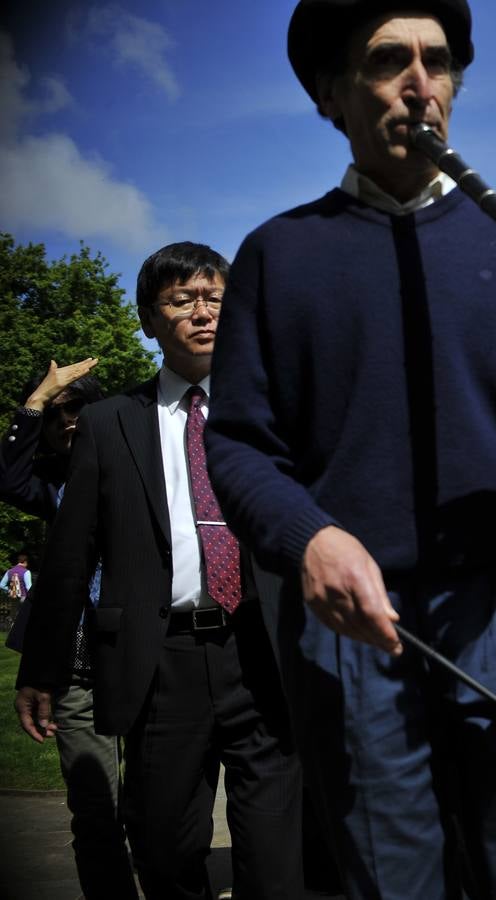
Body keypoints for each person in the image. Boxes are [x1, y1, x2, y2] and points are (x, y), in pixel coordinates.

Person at [203, 2, 496, 897]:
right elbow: (238, 446)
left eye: (437, 61)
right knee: (391, 881)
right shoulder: (277, 256)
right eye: (389, 59)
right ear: (333, 95)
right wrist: (309, 534)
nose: (420, 83)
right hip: (356, 628)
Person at [13, 243, 303, 899]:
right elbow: (69, 556)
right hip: (161, 660)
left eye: (215, 300)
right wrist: (42, 666)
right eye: (181, 300)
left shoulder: (280, 413)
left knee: (276, 861)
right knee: (166, 851)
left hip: (262, 654)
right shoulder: (111, 424)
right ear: (150, 319)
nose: (202, 314)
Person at [1, 361, 139, 899]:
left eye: (77, 409)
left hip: (146, 657)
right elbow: (8, 477)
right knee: (96, 808)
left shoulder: (138, 465)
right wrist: (34, 401)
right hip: (78, 670)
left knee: (156, 806)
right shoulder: (50, 485)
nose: (69, 423)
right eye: (56, 415)